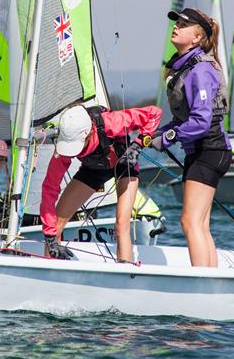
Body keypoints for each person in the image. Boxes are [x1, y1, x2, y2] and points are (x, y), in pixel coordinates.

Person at [151, 7, 231, 267]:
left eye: (183, 24)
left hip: (210, 150)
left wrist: (168, 137)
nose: (176, 26)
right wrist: (159, 134)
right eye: (176, 23)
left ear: (197, 37)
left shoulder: (200, 70)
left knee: (189, 221)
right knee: (201, 224)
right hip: (201, 152)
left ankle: (203, 283)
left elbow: (200, 121)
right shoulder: (185, 67)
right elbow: (185, 119)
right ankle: (212, 280)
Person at [40, 104, 162, 261]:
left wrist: (137, 145)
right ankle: (51, 272)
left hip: (124, 164)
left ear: (90, 133)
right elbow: (49, 188)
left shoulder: (111, 122)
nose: (73, 150)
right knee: (56, 224)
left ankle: (124, 274)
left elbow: (154, 113)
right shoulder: (63, 145)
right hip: (94, 170)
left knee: (121, 225)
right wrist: (50, 238)